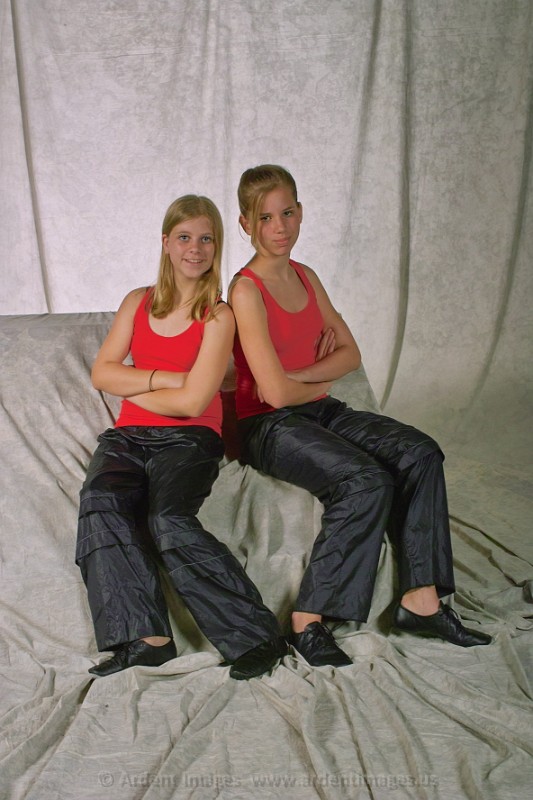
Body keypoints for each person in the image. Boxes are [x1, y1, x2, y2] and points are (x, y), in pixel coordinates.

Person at [228, 165, 491, 668]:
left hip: (320, 409)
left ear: (301, 212)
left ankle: (421, 602)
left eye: (287, 213)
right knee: (365, 479)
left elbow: (350, 354)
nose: (279, 227)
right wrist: (309, 377)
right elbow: (274, 395)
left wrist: (301, 376)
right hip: (267, 425)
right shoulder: (246, 291)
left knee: (420, 452)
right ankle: (308, 620)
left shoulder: (307, 276)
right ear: (245, 224)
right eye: (265, 218)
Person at [76, 194, 287, 680]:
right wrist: (168, 379)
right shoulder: (137, 302)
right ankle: (147, 640)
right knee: (102, 502)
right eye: (185, 237)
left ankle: (257, 637)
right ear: (166, 242)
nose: (195, 248)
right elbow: (102, 374)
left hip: (190, 439)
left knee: (167, 518)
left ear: (217, 246)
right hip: (127, 438)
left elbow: (193, 404)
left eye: (206, 239)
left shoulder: (218, 316)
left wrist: (135, 382)